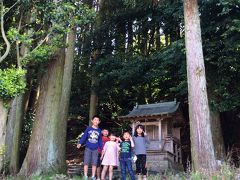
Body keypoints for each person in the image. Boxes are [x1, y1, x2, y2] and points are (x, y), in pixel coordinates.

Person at [77, 115, 102, 180]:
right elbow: (84, 136)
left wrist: (101, 148)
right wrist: (80, 143)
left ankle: (93, 176)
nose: (96, 121)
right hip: (88, 147)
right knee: (86, 162)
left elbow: (100, 140)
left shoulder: (99, 130)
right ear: (92, 121)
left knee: (94, 163)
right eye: (95, 120)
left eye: (97, 120)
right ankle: (85, 176)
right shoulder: (88, 128)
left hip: (96, 148)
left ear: (99, 122)